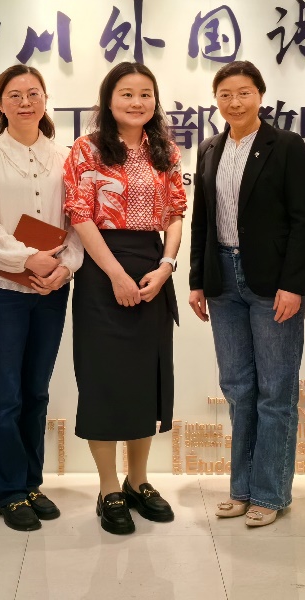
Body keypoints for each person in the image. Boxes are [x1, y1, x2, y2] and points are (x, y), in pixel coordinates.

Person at [188, 60, 305, 528]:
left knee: (275, 391)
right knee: (239, 388)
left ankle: (270, 493)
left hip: (272, 282)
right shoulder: (209, 148)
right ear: (216, 100)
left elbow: (304, 220)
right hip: (222, 279)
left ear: (260, 95)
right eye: (225, 94)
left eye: (243, 93)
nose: (234, 102)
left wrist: (293, 284)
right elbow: (202, 220)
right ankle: (241, 489)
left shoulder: (287, 146)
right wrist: (197, 280)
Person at [63, 61, 187, 535]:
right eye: (127, 94)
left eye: (145, 94)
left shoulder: (165, 150)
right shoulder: (87, 149)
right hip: (101, 269)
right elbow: (79, 214)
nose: (137, 102)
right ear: (108, 100)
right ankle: (108, 487)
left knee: (143, 380)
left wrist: (167, 266)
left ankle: (139, 481)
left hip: (153, 265)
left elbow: (175, 212)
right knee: (104, 379)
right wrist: (114, 274)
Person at [0, 64, 84, 531]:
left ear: (45, 99)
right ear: (0, 104)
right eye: (14, 95)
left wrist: (65, 268)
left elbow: (77, 222)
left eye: (33, 94)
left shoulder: (66, 156)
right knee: (6, 392)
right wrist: (27, 259)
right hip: (2, 292)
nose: (24, 102)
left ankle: (31, 483)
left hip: (51, 289)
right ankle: (8, 491)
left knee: (36, 390)